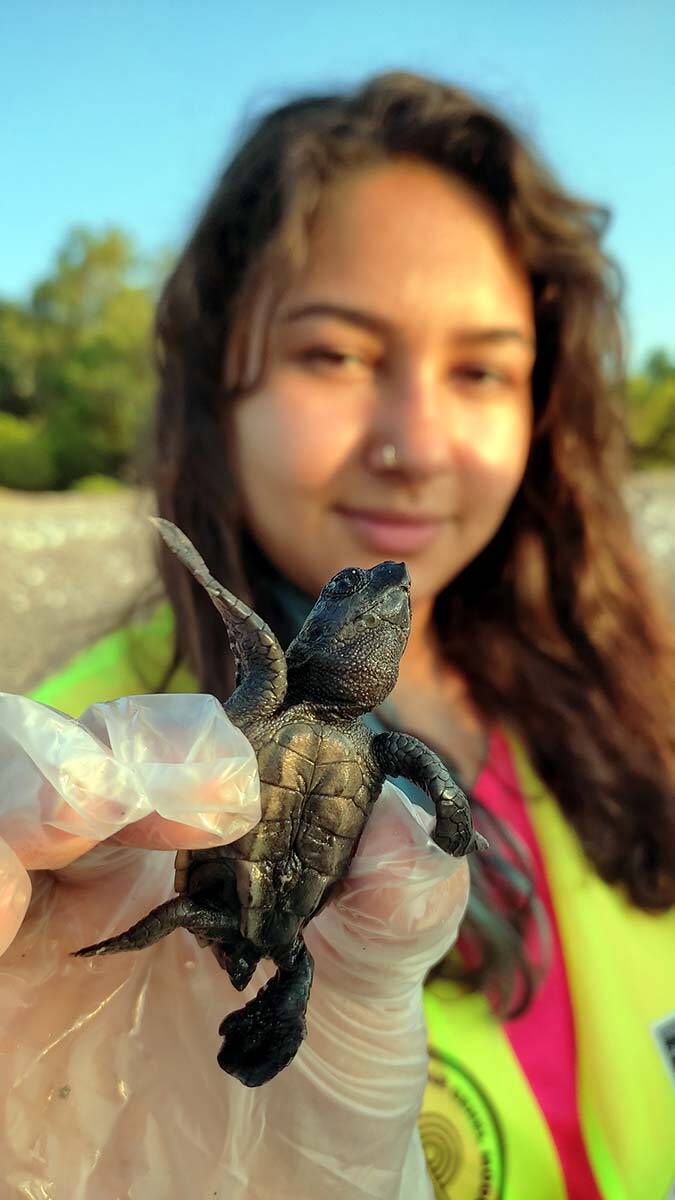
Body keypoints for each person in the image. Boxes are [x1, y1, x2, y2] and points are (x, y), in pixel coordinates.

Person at [1, 70, 674, 1200]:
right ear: (219, 381)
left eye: (482, 370)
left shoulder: (639, 704)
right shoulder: (98, 771)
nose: (415, 442)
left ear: (544, 409)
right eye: (336, 352)